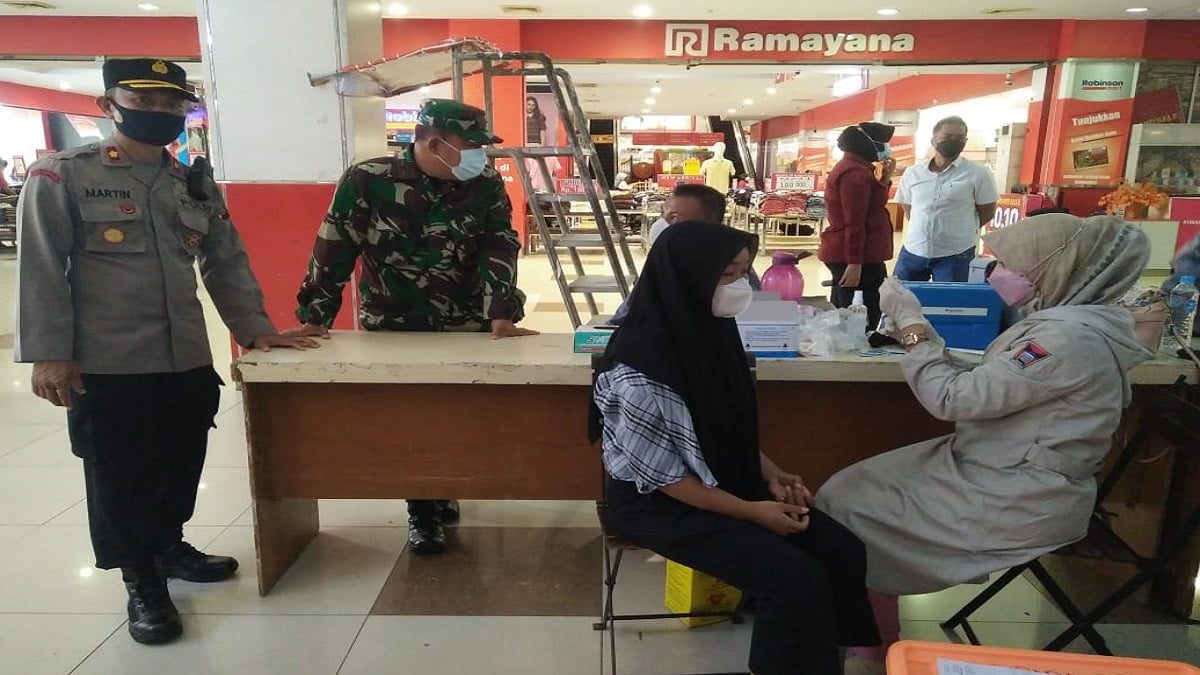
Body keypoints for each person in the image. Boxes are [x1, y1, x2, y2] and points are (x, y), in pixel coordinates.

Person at [13, 58, 318, 646]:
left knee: (181, 461)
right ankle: (142, 580)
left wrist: (255, 329)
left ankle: (168, 546)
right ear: (109, 105)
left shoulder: (193, 184)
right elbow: (43, 267)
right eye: (144, 100)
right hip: (108, 362)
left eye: (172, 104)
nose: (160, 113)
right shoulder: (63, 175)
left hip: (185, 356)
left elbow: (225, 262)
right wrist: (50, 353)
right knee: (122, 473)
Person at [816, 214, 1153, 669]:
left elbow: (953, 398)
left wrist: (914, 326)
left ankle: (873, 644)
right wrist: (924, 337)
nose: (997, 273)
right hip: (998, 465)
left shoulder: (1066, 339)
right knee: (846, 492)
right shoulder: (1063, 321)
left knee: (853, 512)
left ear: (1054, 269)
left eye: (1011, 265)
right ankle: (867, 627)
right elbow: (1000, 382)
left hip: (1017, 491)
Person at [592, 222, 879, 675]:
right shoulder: (638, 370)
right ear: (688, 277)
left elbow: (724, 429)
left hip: (725, 480)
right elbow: (668, 479)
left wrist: (771, 473)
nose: (739, 286)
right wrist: (754, 512)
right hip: (661, 503)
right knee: (793, 580)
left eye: (744, 272)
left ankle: (829, 663)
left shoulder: (713, 332)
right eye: (726, 275)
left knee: (841, 550)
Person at [285, 98, 538, 556]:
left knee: (459, 414)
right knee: (411, 417)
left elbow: (499, 243)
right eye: (470, 145)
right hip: (394, 321)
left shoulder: (482, 183)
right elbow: (334, 247)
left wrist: (501, 310)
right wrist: (315, 318)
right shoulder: (369, 180)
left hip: (465, 321)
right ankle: (421, 510)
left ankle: (446, 485)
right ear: (435, 144)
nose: (479, 156)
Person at [611, 183, 756, 325]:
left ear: (710, 227)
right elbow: (622, 319)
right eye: (663, 215)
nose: (661, 224)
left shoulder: (737, 265)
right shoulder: (664, 269)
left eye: (674, 217)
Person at [894, 116, 999, 282]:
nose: (953, 141)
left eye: (959, 138)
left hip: (955, 254)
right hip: (914, 251)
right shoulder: (913, 173)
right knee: (899, 296)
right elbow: (907, 206)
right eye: (947, 137)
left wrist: (959, 228)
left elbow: (987, 212)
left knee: (949, 299)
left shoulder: (978, 173)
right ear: (933, 140)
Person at [820, 122, 896, 330]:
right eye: (883, 143)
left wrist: (884, 180)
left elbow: (870, 205)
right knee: (862, 314)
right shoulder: (855, 174)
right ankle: (858, 347)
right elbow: (854, 221)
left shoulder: (857, 168)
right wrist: (854, 263)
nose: (886, 148)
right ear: (867, 143)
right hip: (857, 255)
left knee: (845, 309)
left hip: (859, 253)